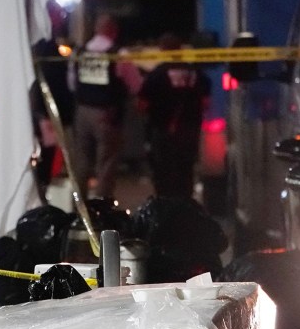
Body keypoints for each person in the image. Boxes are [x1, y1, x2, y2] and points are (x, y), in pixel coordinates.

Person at [72, 14, 142, 199]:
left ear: (96, 29)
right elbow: (136, 84)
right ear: (113, 30)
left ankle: (79, 208)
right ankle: (102, 209)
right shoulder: (117, 53)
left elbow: (72, 83)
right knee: (106, 163)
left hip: (82, 111)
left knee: (82, 162)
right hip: (106, 115)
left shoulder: (79, 53)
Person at [137, 32, 211, 198]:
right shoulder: (196, 73)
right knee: (186, 169)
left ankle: (165, 206)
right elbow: (206, 103)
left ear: (163, 50)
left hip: (163, 130)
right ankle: (185, 205)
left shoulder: (157, 74)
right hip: (190, 129)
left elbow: (142, 104)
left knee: (163, 171)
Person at [30, 1, 75, 203]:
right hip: (45, 112)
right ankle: (40, 193)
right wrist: (42, 113)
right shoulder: (44, 46)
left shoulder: (49, 45)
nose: (61, 19)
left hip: (48, 110)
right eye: (58, 15)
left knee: (49, 155)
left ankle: (42, 191)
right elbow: (47, 81)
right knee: (45, 156)